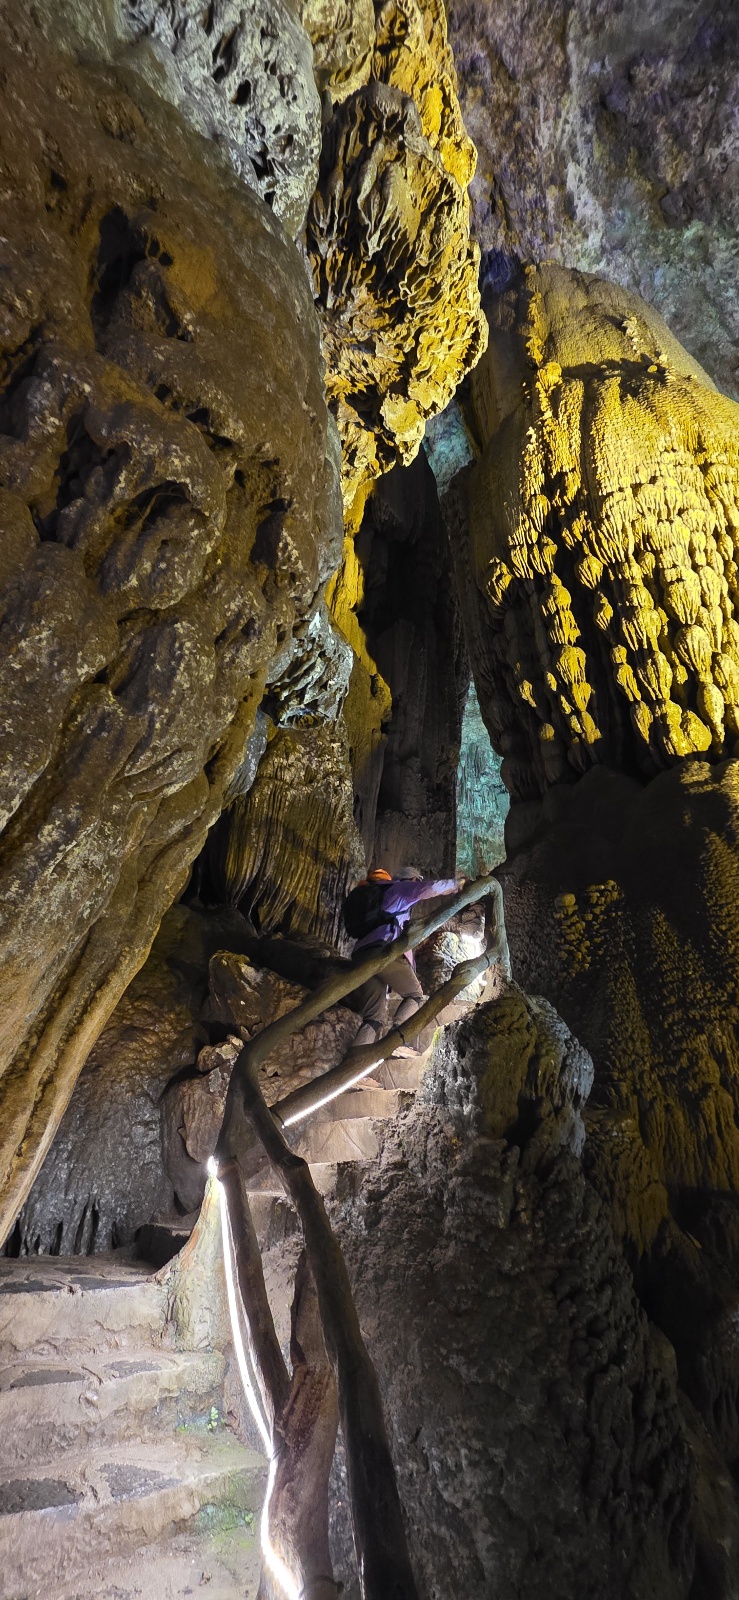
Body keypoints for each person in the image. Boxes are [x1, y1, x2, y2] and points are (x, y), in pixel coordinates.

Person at [345, 866, 459, 1050]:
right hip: (382, 953)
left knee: (373, 1017)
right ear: (412, 880)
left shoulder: (378, 896)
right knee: (415, 995)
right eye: (417, 880)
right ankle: (396, 1041)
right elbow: (428, 888)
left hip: (361, 955)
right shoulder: (397, 889)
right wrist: (457, 884)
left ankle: (354, 1061)